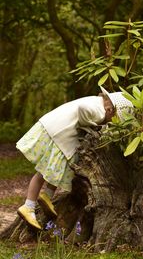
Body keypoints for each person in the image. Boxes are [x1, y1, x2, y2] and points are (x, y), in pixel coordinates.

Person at [16, 87, 133, 230]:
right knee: (43, 171)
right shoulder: (98, 110)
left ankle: (47, 195)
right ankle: (28, 206)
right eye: (115, 119)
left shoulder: (98, 103)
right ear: (110, 110)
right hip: (57, 131)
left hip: (62, 133)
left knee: (60, 165)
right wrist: (92, 125)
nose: (111, 122)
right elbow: (83, 109)